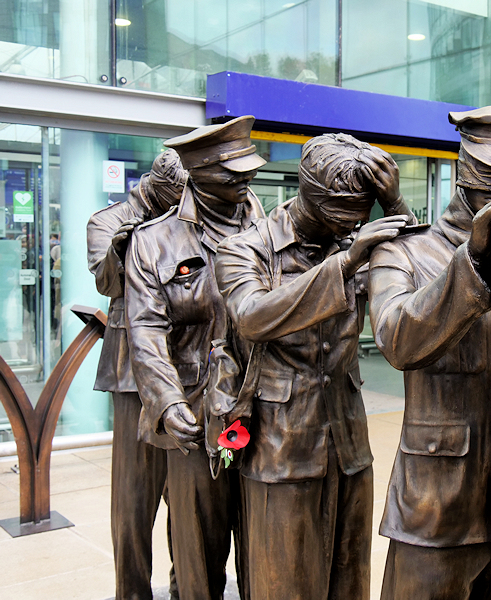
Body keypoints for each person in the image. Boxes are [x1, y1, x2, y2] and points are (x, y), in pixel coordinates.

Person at [367, 105, 491, 600]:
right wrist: (472, 260)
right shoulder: (404, 251)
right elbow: (396, 341)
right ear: (462, 170)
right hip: (437, 502)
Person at [212, 132, 412, 599]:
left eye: (360, 218)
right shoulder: (245, 249)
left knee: (349, 581)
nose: (351, 228)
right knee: (284, 585)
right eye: (342, 218)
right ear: (311, 197)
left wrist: (395, 203)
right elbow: (252, 317)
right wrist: (344, 266)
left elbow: (420, 271)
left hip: (347, 444)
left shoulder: (355, 235)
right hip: (282, 445)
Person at [125, 115, 265, 600]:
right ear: (201, 175)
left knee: (263, 552)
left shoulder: (267, 228)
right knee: (196, 557)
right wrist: (166, 402)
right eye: (234, 174)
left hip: (261, 411)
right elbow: (145, 329)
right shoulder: (153, 241)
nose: (245, 180)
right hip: (194, 417)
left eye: (249, 171)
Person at [86, 149, 187, 600]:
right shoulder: (108, 221)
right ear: (157, 186)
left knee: (186, 497)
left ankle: (186, 584)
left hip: (184, 367)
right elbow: (107, 282)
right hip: (130, 373)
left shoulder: (184, 215)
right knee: (133, 497)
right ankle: (131, 592)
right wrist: (121, 248)